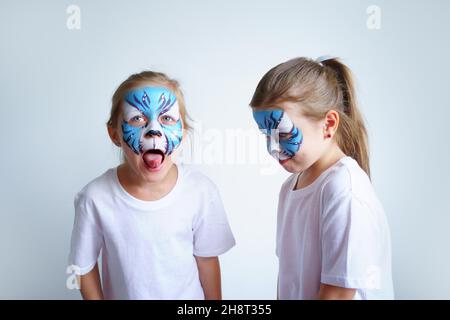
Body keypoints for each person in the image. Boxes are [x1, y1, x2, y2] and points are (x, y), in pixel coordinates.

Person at [68, 71, 235, 299]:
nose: (154, 130)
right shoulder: (95, 198)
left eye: (167, 118)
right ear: (114, 134)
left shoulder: (200, 191)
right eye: (137, 118)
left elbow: (207, 261)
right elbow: (82, 268)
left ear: (183, 132)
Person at [250, 56, 394, 300]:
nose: (273, 148)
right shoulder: (289, 188)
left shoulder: (344, 189)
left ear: (328, 124)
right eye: (266, 135)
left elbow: (337, 294)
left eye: (283, 134)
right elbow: (288, 279)